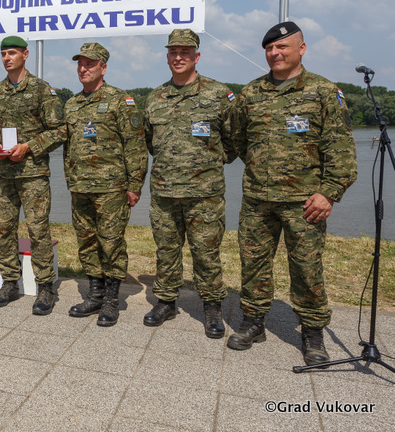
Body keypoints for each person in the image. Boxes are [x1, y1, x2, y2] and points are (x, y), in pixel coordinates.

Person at [229, 21, 357, 366]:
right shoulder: (250, 93)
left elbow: (342, 151)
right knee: (253, 264)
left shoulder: (323, 92)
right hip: (258, 199)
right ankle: (253, 322)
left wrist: (329, 193)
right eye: (270, 48)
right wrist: (261, 168)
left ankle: (312, 332)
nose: (275, 53)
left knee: (306, 268)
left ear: (301, 49)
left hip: (305, 202)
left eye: (282, 46)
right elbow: (238, 140)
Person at [142, 29, 235, 338]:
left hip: (204, 194)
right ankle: (166, 301)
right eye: (173, 52)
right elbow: (150, 142)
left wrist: (206, 165)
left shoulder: (218, 94)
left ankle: (212, 306)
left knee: (206, 252)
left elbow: (234, 140)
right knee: (166, 250)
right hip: (165, 191)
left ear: (197, 56)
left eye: (185, 52)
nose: (179, 57)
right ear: (167, 56)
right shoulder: (155, 98)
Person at [64, 43, 147, 326]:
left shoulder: (120, 100)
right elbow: (68, 147)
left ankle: (112, 300)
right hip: (80, 187)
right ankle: (95, 295)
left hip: (111, 188)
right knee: (87, 243)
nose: (83, 69)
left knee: (111, 244)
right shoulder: (72, 104)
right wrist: (70, 179)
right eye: (80, 64)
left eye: (90, 64)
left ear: (103, 67)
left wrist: (135, 185)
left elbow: (135, 145)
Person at [0, 36, 64, 315]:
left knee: (38, 230)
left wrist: (29, 147)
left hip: (33, 174)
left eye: (12, 53)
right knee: (4, 230)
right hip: (4, 174)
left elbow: (59, 130)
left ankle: (45, 287)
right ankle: (9, 283)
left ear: (25, 55)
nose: (7, 58)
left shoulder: (42, 90)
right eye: (3, 54)